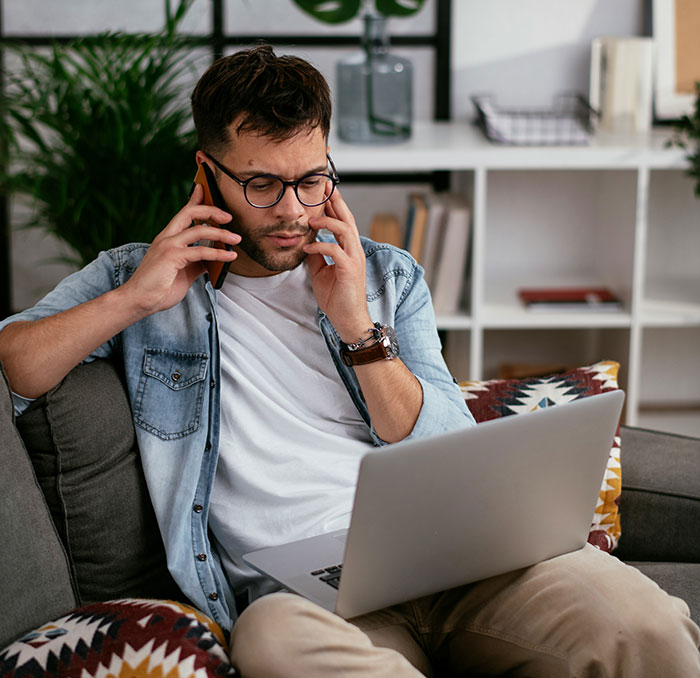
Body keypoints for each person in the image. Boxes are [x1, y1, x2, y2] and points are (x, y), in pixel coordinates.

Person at [0, 45, 698, 677]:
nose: (293, 210)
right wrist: (134, 300)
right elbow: (18, 363)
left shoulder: (389, 278)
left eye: (312, 180)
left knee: (649, 628)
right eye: (263, 185)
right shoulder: (139, 278)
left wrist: (358, 325)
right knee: (273, 642)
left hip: (456, 560)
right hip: (308, 597)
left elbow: (446, 444)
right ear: (206, 175)